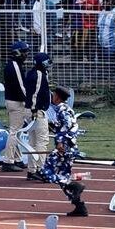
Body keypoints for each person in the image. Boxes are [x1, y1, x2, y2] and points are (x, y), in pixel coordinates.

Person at [42, 86, 87, 216]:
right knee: (62, 174)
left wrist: (60, 142)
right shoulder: (66, 109)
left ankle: (74, 186)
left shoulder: (62, 110)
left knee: (46, 171)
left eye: (53, 95)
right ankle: (79, 206)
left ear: (57, 96)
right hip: (68, 147)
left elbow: (66, 126)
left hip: (64, 147)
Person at [1, 40, 29, 172]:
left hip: (12, 101)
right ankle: (8, 161)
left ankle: (17, 159)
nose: (26, 54)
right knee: (14, 132)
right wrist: (29, 100)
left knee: (16, 132)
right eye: (24, 52)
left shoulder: (12, 65)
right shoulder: (14, 66)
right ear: (17, 53)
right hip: (16, 102)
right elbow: (21, 86)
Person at [25, 52, 52, 180]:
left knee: (33, 142)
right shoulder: (39, 75)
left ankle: (32, 170)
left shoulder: (33, 73)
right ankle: (42, 169)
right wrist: (34, 110)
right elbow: (34, 94)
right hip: (36, 111)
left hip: (31, 110)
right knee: (42, 141)